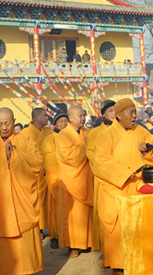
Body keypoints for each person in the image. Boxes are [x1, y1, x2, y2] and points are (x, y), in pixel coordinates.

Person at [0, 107, 44, 275]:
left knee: (25, 252)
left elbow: (38, 163)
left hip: (23, 205)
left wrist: (14, 155)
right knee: (1, 261)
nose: (4, 127)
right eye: (0, 124)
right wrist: (1, 158)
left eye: (7, 123)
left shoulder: (25, 141)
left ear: (13, 121)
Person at [94, 98, 153, 273]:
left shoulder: (141, 131)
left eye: (135, 112)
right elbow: (100, 162)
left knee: (139, 232)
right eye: (130, 112)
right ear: (119, 115)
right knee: (119, 236)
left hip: (137, 188)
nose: (134, 116)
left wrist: (147, 151)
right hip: (117, 190)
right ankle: (118, 268)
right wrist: (123, 174)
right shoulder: (106, 135)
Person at [56, 106, 93, 258]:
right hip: (71, 179)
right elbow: (68, 156)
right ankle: (73, 246)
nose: (83, 118)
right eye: (80, 116)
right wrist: (85, 145)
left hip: (87, 178)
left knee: (86, 213)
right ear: (71, 118)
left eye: (84, 115)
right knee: (72, 215)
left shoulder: (87, 132)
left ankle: (88, 242)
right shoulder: (63, 135)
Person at [86, 99, 116, 252]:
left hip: (121, 175)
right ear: (103, 113)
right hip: (103, 175)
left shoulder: (123, 129)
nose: (114, 113)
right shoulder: (95, 132)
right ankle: (104, 242)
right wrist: (106, 167)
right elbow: (91, 154)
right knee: (104, 210)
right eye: (110, 110)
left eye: (116, 110)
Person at [20, 108, 52, 234]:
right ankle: (37, 227)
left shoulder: (49, 131)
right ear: (36, 118)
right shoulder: (25, 133)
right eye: (44, 115)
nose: (47, 117)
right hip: (34, 174)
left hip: (50, 172)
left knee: (50, 201)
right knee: (35, 202)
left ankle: (51, 227)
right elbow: (23, 154)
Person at [41, 112, 69, 249]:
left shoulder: (71, 136)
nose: (63, 123)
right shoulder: (49, 138)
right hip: (56, 177)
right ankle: (56, 236)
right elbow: (48, 159)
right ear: (55, 124)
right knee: (56, 210)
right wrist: (65, 157)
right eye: (61, 121)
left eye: (66, 121)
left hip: (71, 178)